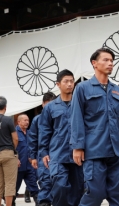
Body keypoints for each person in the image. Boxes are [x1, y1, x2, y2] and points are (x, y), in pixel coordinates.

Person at [70, 48, 119, 206]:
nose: (110, 63)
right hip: (94, 151)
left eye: (112, 60)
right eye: (105, 60)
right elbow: (76, 118)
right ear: (94, 63)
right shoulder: (82, 88)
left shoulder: (117, 91)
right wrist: (77, 146)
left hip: (116, 152)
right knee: (95, 194)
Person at [40, 70, 83, 206]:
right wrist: (44, 152)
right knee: (60, 185)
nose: (70, 84)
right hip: (58, 154)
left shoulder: (81, 105)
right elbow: (45, 131)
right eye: (66, 81)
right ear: (58, 84)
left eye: (72, 81)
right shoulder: (50, 108)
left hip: (78, 154)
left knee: (78, 190)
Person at [0, 96, 19, 206]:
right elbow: (15, 138)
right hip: (8, 152)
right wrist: (13, 149)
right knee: (10, 183)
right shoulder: (7, 120)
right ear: (5, 107)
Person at [27, 92, 56, 206]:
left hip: (58, 153)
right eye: (48, 104)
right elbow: (32, 139)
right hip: (42, 155)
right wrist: (32, 157)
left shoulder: (58, 116)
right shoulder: (37, 120)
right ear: (43, 104)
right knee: (45, 182)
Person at [15, 115, 39, 203]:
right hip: (18, 165)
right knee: (14, 189)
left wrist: (33, 158)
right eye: (25, 120)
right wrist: (15, 159)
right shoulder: (14, 133)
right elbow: (11, 148)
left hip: (29, 165)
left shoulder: (30, 133)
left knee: (34, 187)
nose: (27, 122)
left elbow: (33, 147)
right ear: (19, 122)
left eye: (28, 120)